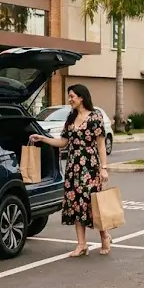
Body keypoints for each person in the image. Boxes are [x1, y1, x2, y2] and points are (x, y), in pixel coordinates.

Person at [29, 84, 111, 257]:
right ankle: (82, 244)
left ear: (81, 97)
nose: (70, 99)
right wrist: (43, 138)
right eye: (69, 96)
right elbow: (63, 142)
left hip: (90, 167)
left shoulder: (95, 117)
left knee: (92, 204)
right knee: (75, 205)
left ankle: (104, 237)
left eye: (72, 96)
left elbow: (101, 145)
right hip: (73, 168)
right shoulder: (71, 117)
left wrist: (104, 168)